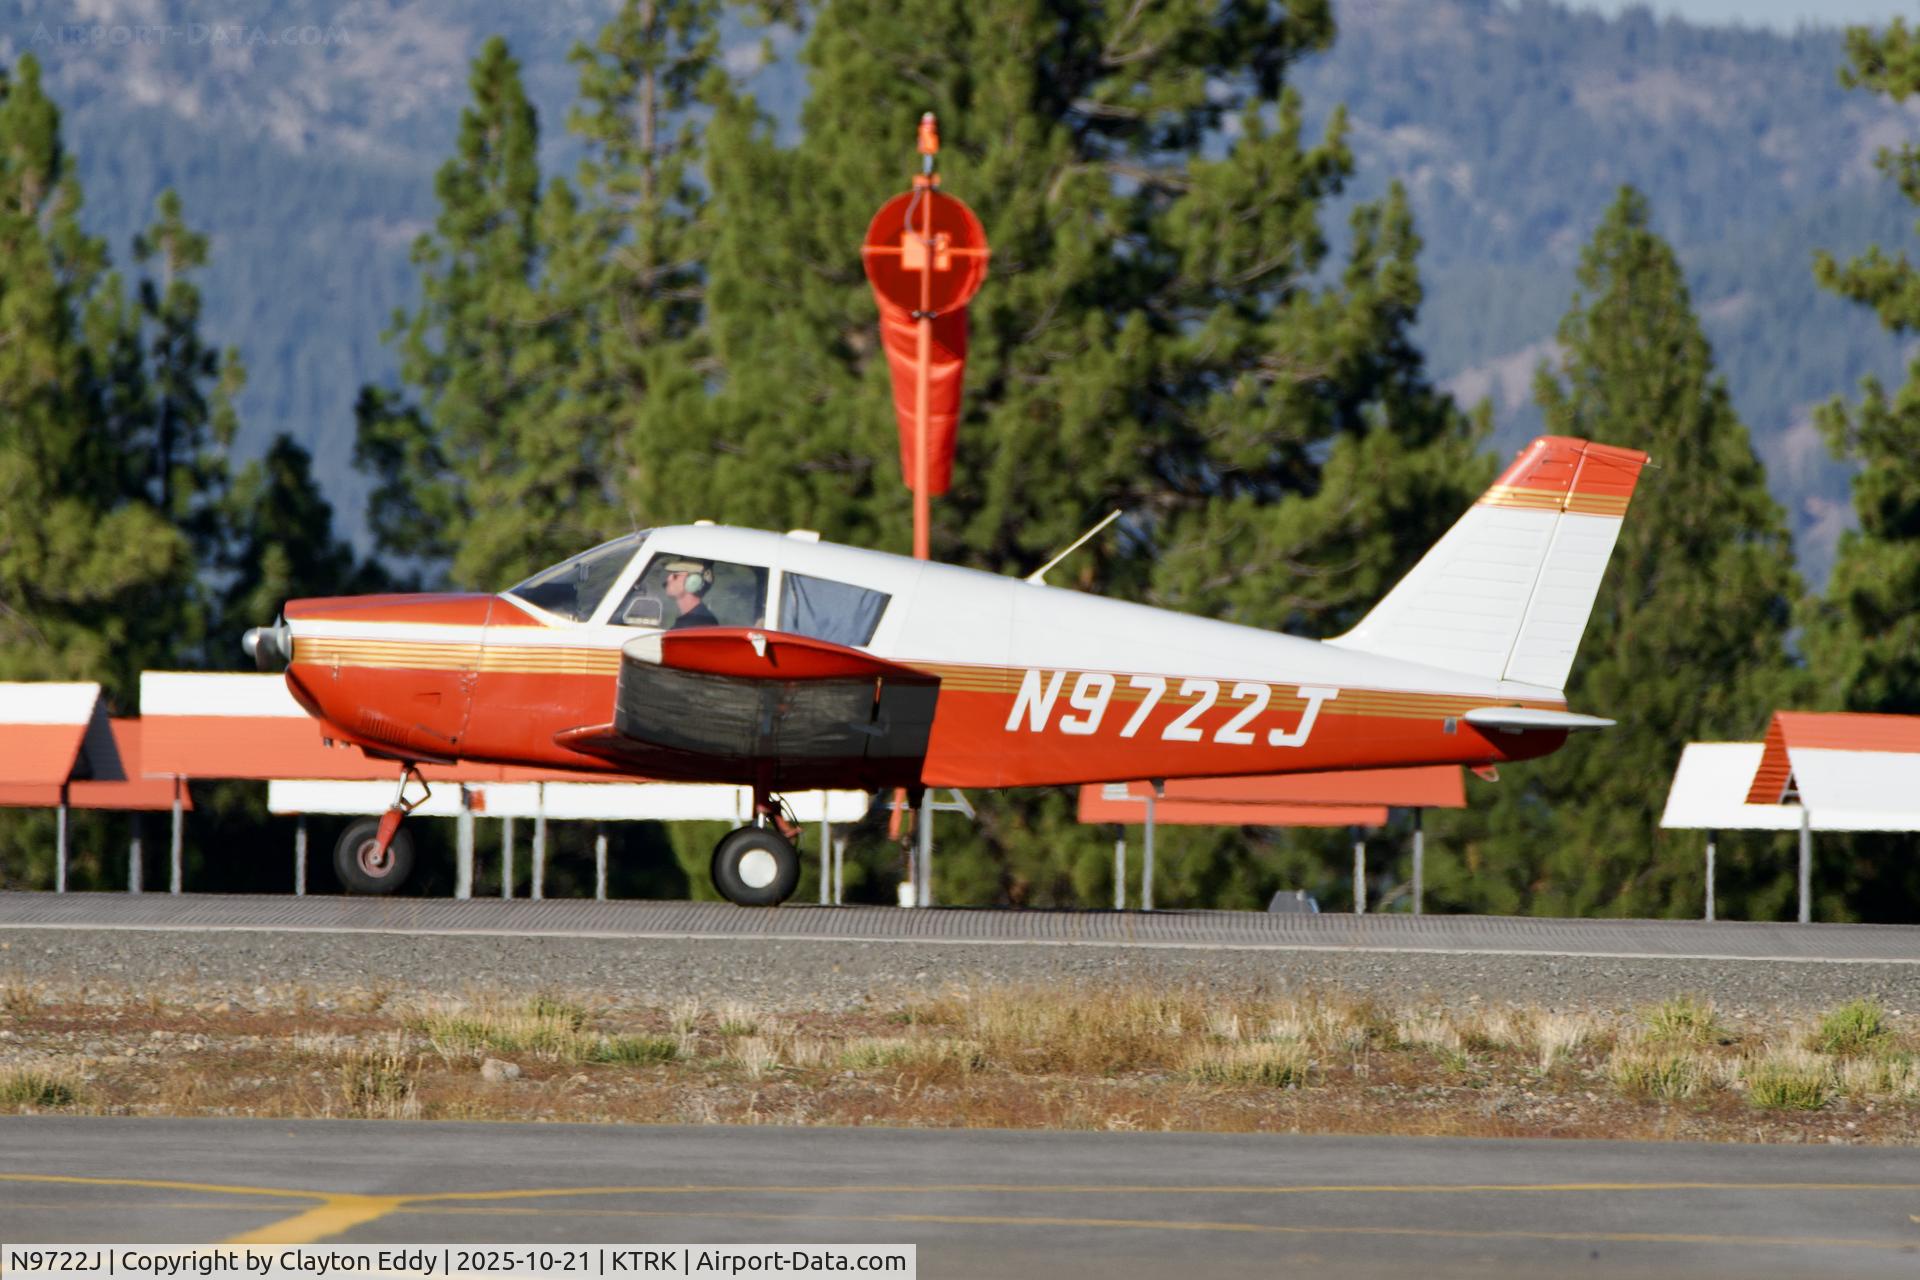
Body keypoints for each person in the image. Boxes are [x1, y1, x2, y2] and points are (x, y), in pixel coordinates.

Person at [663, 559, 719, 630]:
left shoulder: (696, 624)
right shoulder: (695, 619)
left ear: (693, 582)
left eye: (675, 576)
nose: (668, 578)